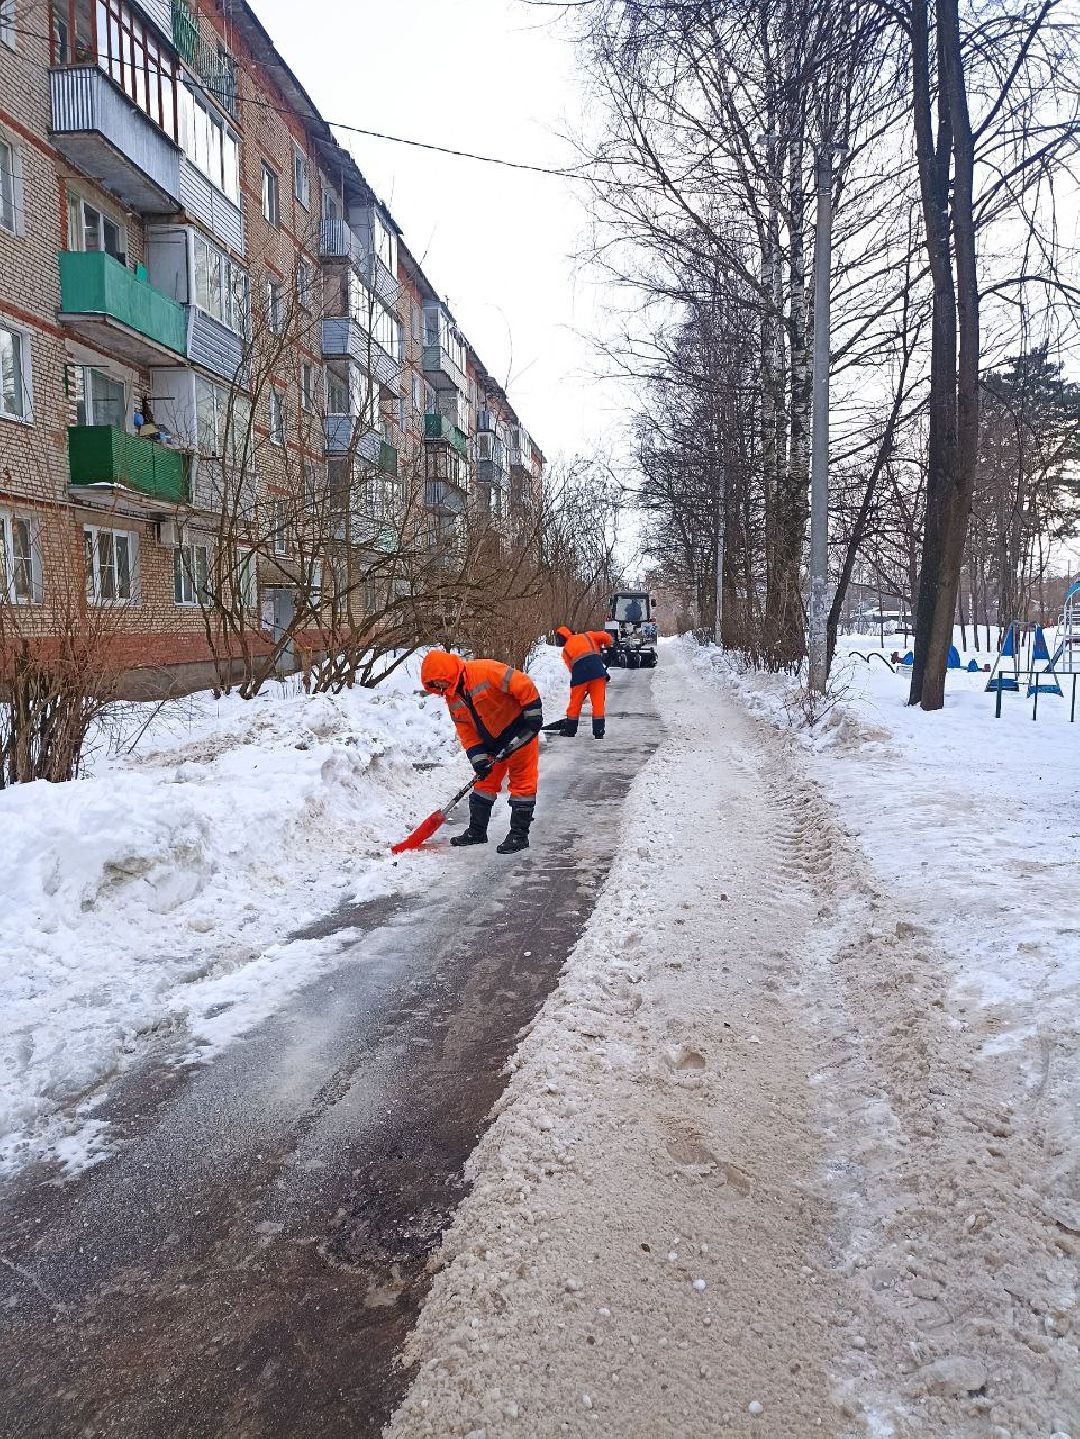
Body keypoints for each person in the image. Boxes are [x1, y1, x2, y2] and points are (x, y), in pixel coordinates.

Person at [420, 649, 544, 854]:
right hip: (491, 743)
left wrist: (533, 713)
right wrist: (478, 758)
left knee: (522, 783)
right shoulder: (453, 698)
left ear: (447, 674)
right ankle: (477, 831)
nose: (439, 689)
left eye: (439, 682)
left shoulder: (485, 670)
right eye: (434, 686)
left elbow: (522, 683)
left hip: (520, 730)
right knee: (484, 782)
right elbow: (466, 730)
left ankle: (519, 835)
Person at [553, 625, 613, 739]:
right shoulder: (587, 635)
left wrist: (577, 683)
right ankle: (598, 731)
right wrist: (610, 647)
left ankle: (570, 730)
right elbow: (606, 637)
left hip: (580, 676)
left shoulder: (565, 651)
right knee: (598, 703)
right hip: (598, 673)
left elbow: (571, 668)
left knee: (575, 703)